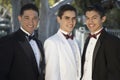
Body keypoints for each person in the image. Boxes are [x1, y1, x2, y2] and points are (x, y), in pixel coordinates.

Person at [0, 3, 45, 80]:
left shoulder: (39, 43)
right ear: (20, 18)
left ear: (38, 20)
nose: (31, 22)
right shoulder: (7, 41)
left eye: (34, 18)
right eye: (27, 18)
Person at [81, 4, 120, 80]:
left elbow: (115, 73)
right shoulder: (88, 39)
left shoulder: (112, 41)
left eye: (94, 18)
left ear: (103, 19)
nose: (90, 22)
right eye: (87, 18)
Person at [44, 4, 81, 80]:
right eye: (67, 18)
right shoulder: (51, 42)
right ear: (58, 19)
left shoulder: (77, 42)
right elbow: (51, 75)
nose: (71, 22)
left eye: (73, 18)